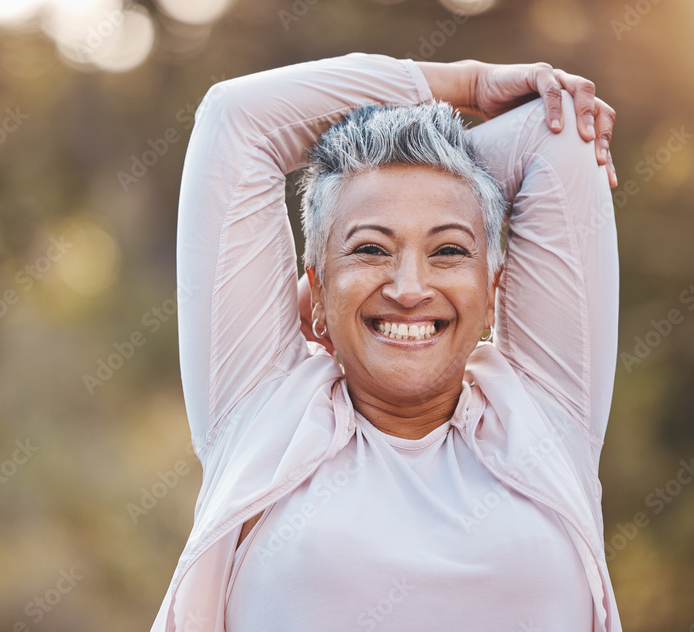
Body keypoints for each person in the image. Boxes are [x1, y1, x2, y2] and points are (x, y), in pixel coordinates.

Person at [154, 52, 620, 632]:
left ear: (494, 287)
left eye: (449, 251)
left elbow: (557, 137)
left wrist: (446, 168)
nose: (409, 288)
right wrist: (464, 84)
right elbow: (235, 117)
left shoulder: (548, 416)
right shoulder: (260, 413)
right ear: (314, 287)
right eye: (370, 250)